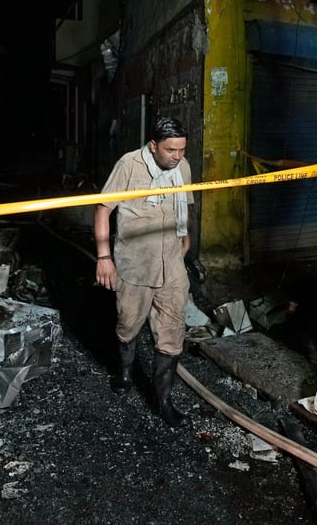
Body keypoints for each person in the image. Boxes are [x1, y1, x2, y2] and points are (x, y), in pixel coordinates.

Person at [93, 116, 195, 427]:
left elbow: (185, 202)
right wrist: (104, 257)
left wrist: (185, 234)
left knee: (172, 332)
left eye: (181, 149)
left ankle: (162, 400)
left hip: (172, 265)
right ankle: (125, 370)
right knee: (128, 323)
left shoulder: (183, 167)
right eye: (170, 150)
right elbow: (102, 209)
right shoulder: (129, 165)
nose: (177, 156)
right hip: (135, 264)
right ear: (153, 146)